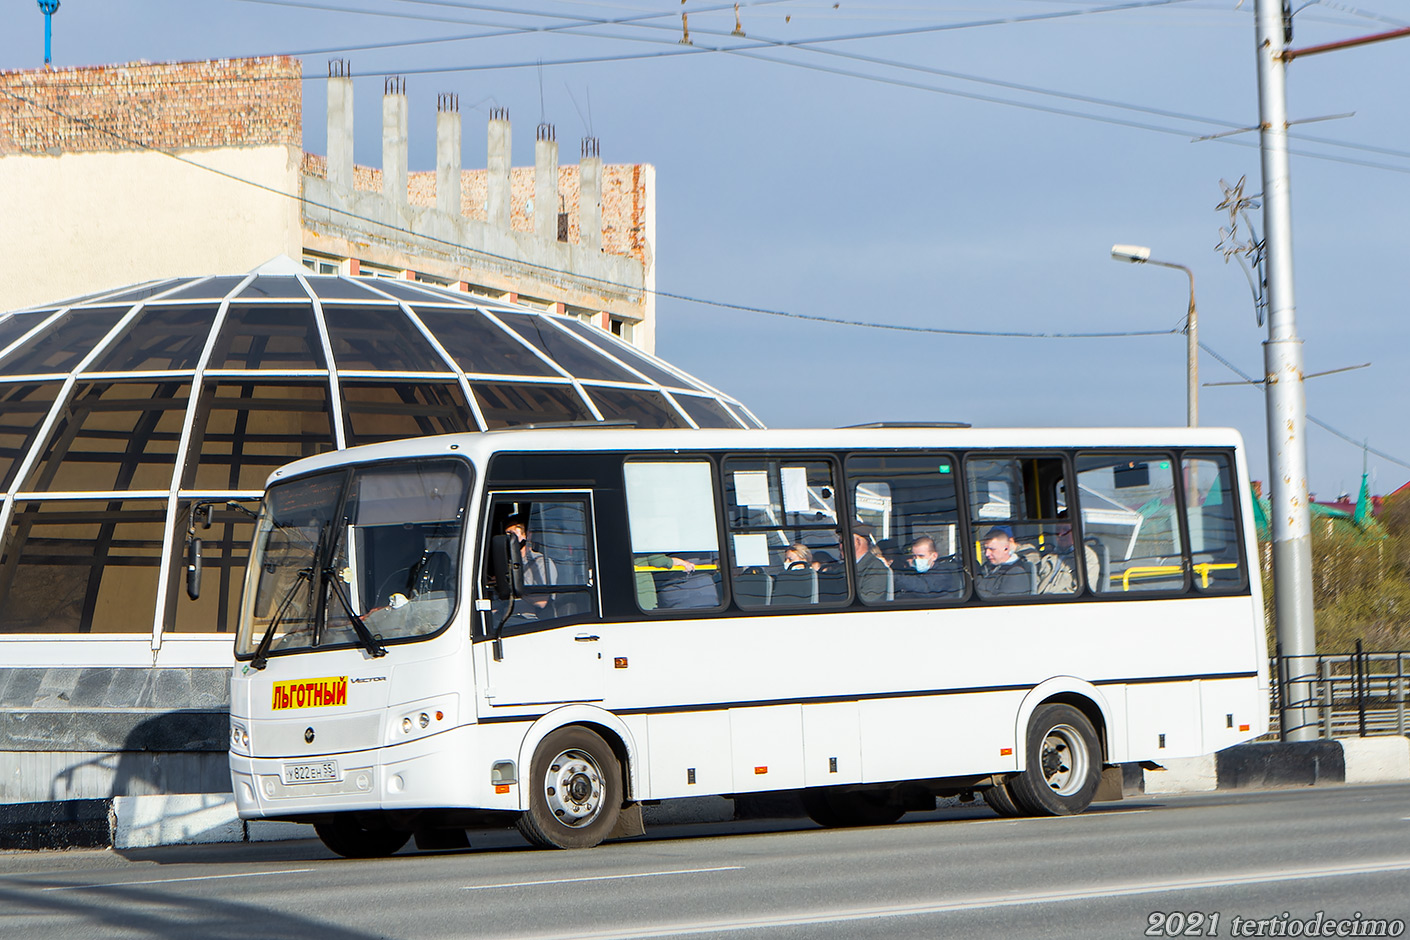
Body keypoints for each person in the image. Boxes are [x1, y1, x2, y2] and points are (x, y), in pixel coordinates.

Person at [504, 519, 558, 619]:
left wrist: (513, 588)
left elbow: (542, 602)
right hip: (507, 617)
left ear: (527, 535)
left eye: (511, 535)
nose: (508, 539)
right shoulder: (508, 564)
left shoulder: (541, 563)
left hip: (529, 620)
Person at [893, 535, 963, 598]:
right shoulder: (913, 571)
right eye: (914, 556)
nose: (917, 559)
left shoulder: (943, 574)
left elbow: (925, 588)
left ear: (934, 556)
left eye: (921, 556)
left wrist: (893, 577)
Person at [976, 525, 1031, 596]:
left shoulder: (1016, 573)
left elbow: (1004, 603)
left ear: (1006, 549)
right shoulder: (988, 568)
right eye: (985, 549)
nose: (987, 554)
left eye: (992, 549)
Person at [850, 522, 891, 604]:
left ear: (857, 542)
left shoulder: (875, 568)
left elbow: (869, 601)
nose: (839, 546)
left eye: (841, 541)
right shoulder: (842, 567)